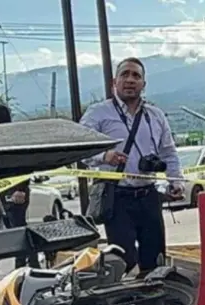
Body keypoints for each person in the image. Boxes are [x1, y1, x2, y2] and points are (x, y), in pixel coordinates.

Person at [80, 57, 184, 275]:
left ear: (143, 84)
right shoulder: (98, 113)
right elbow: (80, 150)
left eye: (136, 76)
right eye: (125, 74)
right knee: (123, 259)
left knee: (154, 259)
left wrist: (175, 182)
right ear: (114, 82)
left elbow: (169, 151)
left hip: (149, 196)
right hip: (117, 198)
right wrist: (104, 156)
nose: (130, 80)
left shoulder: (155, 115)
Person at [0, 104, 40, 271]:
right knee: (13, 228)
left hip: (15, 191)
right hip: (4, 191)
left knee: (18, 228)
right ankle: (28, 262)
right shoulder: (2, 138)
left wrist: (21, 189)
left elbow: (23, 166)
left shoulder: (12, 138)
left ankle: (26, 264)